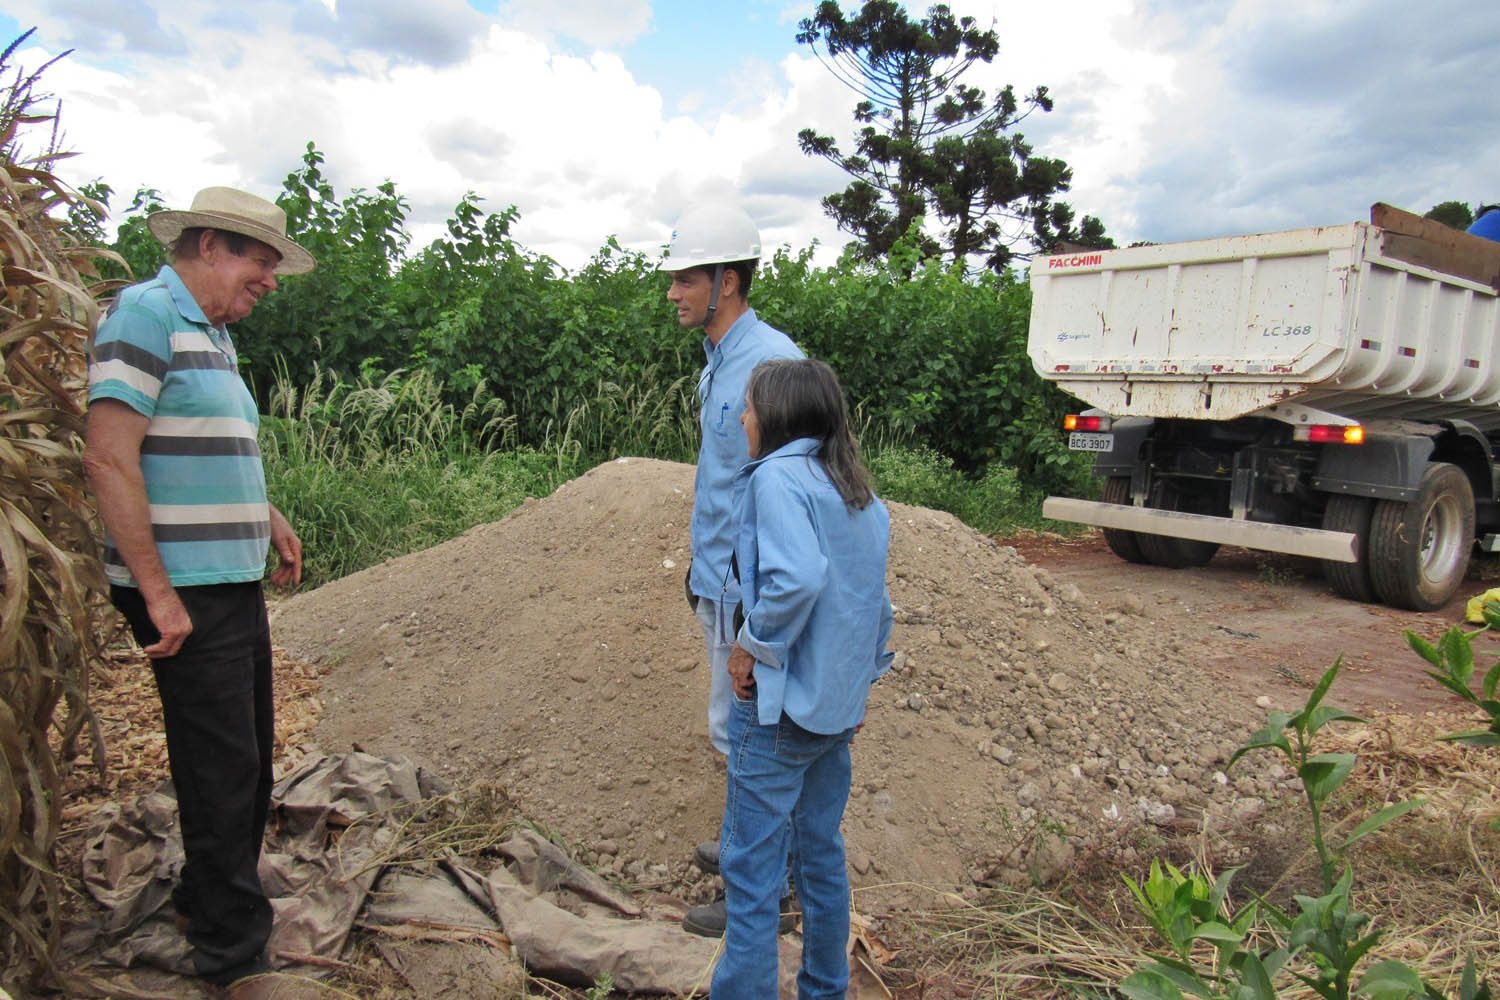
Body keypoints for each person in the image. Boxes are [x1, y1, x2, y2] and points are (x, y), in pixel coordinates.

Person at [84, 187, 315, 994]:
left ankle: (206, 894)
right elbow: (111, 456)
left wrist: (269, 514)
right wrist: (157, 593)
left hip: (228, 576)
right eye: (262, 262)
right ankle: (230, 951)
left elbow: (206, 443)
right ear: (211, 245)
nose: (271, 280)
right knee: (219, 768)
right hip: (186, 585)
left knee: (246, 760)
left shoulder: (211, 334)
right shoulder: (144, 316)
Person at [711, 358, 894, 999]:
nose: (743, 417)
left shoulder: (778, 481)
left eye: (751, 407)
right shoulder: (857, 492)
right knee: (819, 854)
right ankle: (825, 989)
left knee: (752, 867)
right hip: (835, 713)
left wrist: (749, 649)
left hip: (778, 711)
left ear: (781, 416)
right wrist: (862, 681)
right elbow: (876, 606)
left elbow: (797, 578)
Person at [659, 202, 804, 935]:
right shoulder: (720, 361)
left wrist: (757, 608)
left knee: (751, 736)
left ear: (728, 280)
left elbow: (790, 491)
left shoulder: (769, 364)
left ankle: (767, 890)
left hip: (751, 589)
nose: (673, 294)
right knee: (735, 728)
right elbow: (724, 478)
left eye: (685, 280)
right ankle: (753, 854)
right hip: (718, 577)